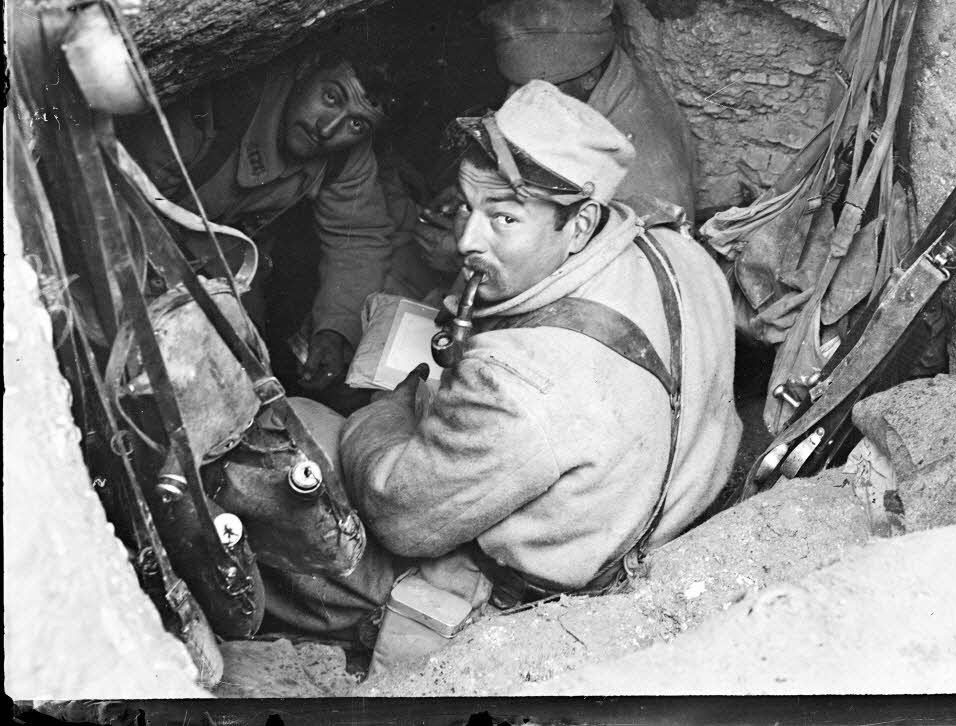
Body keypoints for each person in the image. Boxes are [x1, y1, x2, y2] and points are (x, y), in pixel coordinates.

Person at [262, 81, 741, 655]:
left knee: (288, 437)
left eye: (504, 219)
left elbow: (397, 514)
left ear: (581, 223)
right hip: (661, 508)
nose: (467, 238)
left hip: (523, 605)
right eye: (468, 205)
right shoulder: (676, 248)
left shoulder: (518, 389)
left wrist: (383, 411)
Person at [118, 52, 396, 392]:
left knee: (249, 373)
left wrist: (337, 328)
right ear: (306, 67)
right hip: (142, 242)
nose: (327, 129)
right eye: (331, 97)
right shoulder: (223, 105)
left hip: (231, 265)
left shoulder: (347, 158)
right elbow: (124, 198)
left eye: (356, 124)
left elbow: (358, 238)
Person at [409, 0, 699, 287]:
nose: (511, 99)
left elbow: (606, 283)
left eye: (533, 87)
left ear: (589, 77)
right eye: (513, 83)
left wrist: (460, 257)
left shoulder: (644, 171)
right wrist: (483, 195)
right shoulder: (607, 77)